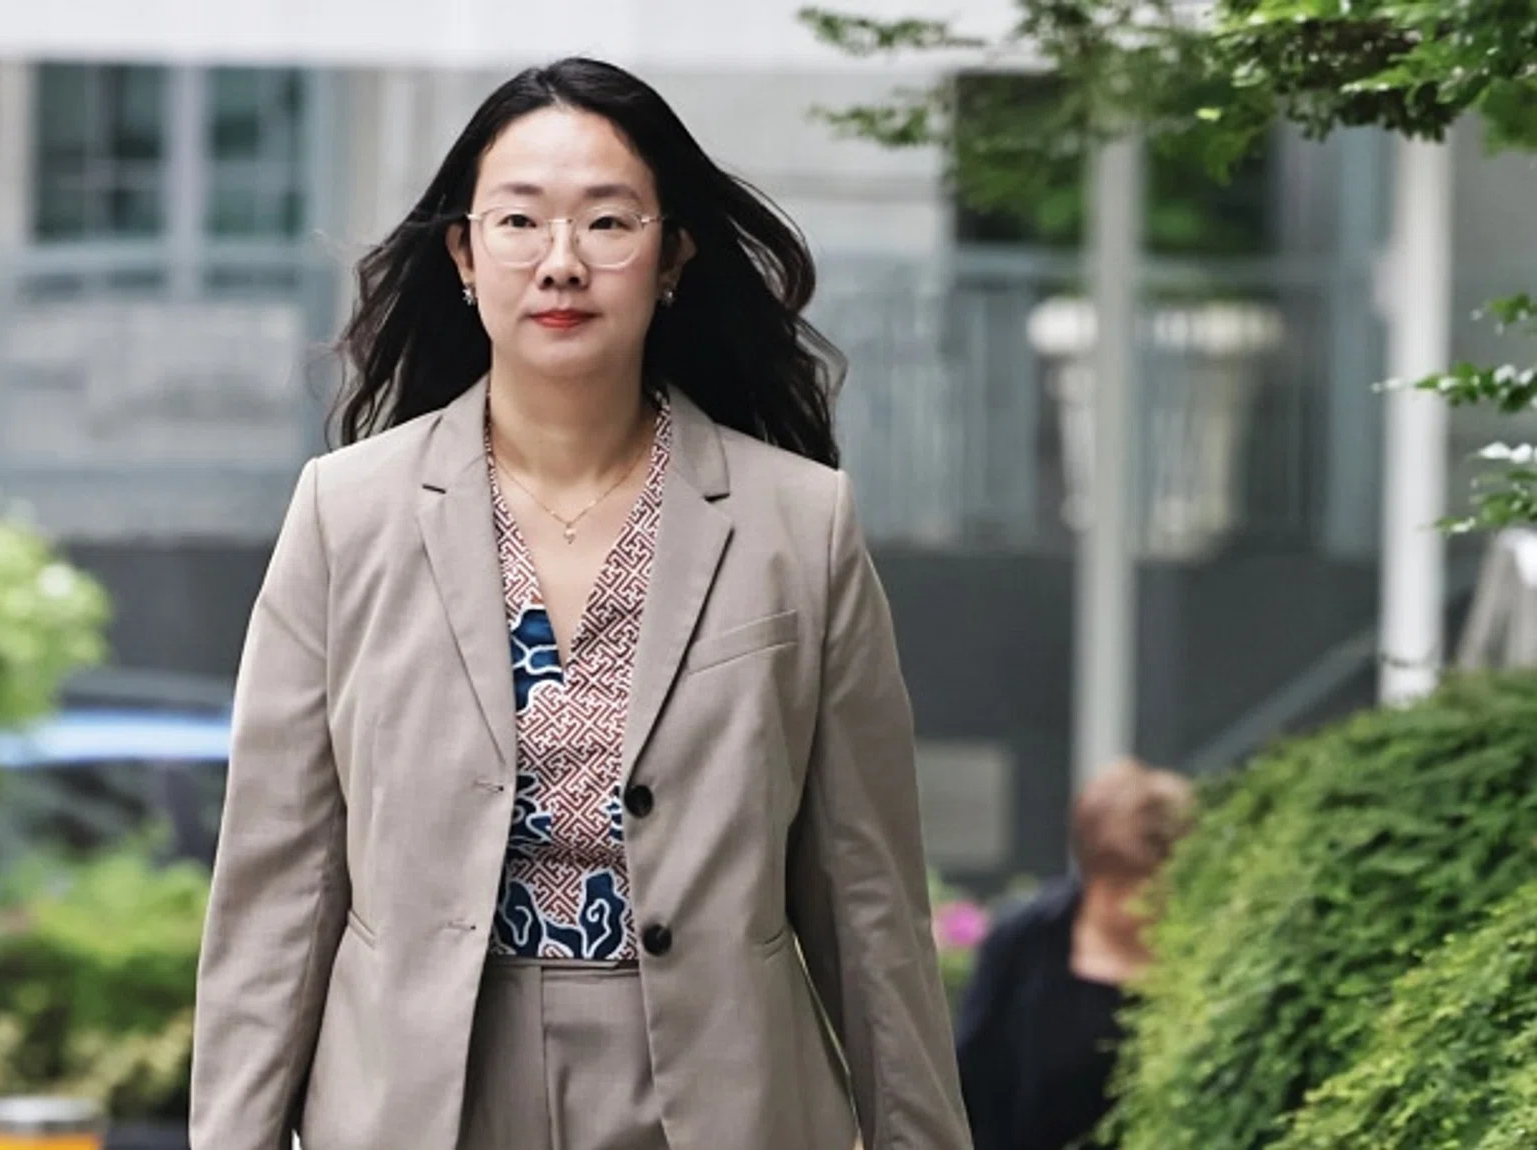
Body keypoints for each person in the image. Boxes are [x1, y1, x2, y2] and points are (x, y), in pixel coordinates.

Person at [190, 56, 971, 1150]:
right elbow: (279, 884)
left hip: (718, 1094)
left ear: (671, 257)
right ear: (465, 254)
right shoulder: (346, 513)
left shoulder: (801, 522)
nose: (561, 263)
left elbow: (867, 901)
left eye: (608, 222)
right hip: (422, 1096)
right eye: (519, 221)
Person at [952, 758, 1196, 1150]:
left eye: (1150, 884)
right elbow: (971, 1075)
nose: (1135, 905)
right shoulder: (1024, 940)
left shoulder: (1202, 952)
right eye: (1119, 884)